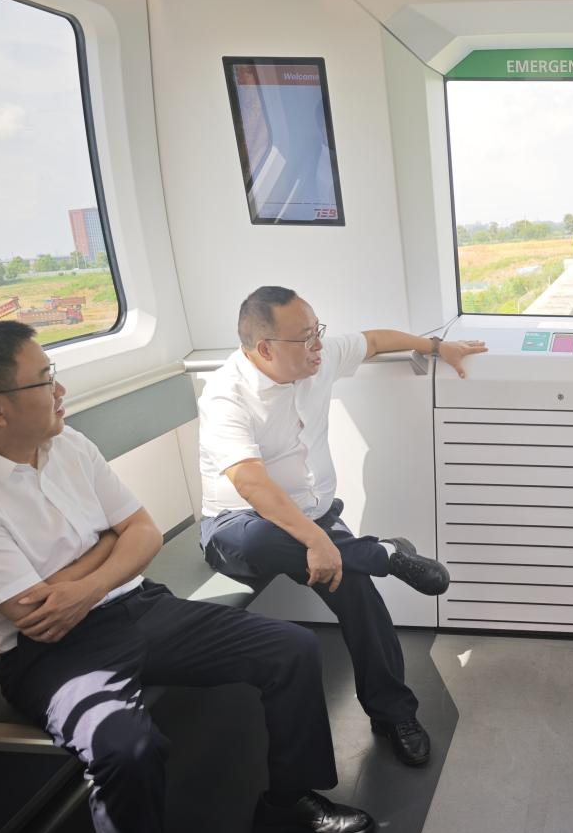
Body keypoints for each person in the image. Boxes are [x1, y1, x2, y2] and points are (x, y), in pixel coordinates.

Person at [0, 322, 373, 833]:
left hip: (139, 606)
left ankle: (286, 801)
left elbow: (144, 533)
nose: (60, 390)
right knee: (125, 749)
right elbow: (35, 613)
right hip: (53, 653)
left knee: (290, 647)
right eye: (46, 379)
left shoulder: (68, 444)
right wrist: (109, 545)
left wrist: (91, 573)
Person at [198, 285, 486, 767]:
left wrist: (438, 346)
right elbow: (251, 484)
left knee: (358, 594)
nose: (319, 345)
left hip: (315, 518)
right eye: (305, 338)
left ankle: (393, 713)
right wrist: (317, 541)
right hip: (239, 526)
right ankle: (384, 555)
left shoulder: (316, 357)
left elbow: (373, 341)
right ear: (264, 349)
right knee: (265, 537)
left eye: (319, 332)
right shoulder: (225, 395)